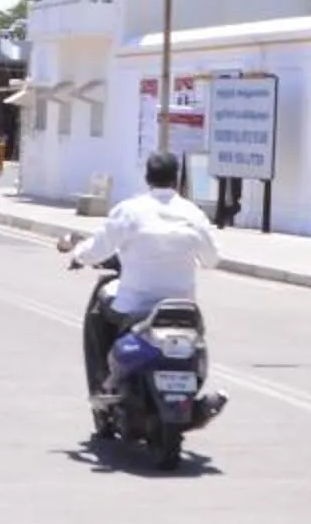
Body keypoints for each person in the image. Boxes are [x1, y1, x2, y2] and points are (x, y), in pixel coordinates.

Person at [66, 150, 221, 400]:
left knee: (98, 313)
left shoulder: (130, 210)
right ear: (177, 179)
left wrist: (77, 255)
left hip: (134, 307)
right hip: (183, 309)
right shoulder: (194, 214)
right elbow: (212, 259)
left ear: (147, 178)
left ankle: (102, 385)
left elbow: (97, 249)